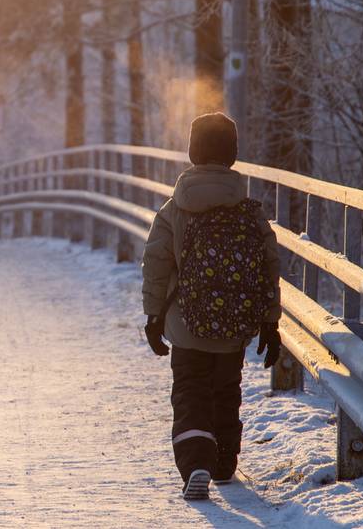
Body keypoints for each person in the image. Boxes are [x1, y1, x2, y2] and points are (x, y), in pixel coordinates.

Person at [140, 112, 282, 500]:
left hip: (186, 324)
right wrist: (270, 323)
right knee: (225, 390)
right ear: (232, 156)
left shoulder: (175, 209)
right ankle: (223, 462)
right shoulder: (250, 211)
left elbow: (156, 263)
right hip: (234, 327)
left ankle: (196, 462)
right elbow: (269, 267)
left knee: (190, 392)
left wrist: (154, 315)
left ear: (193, 152)